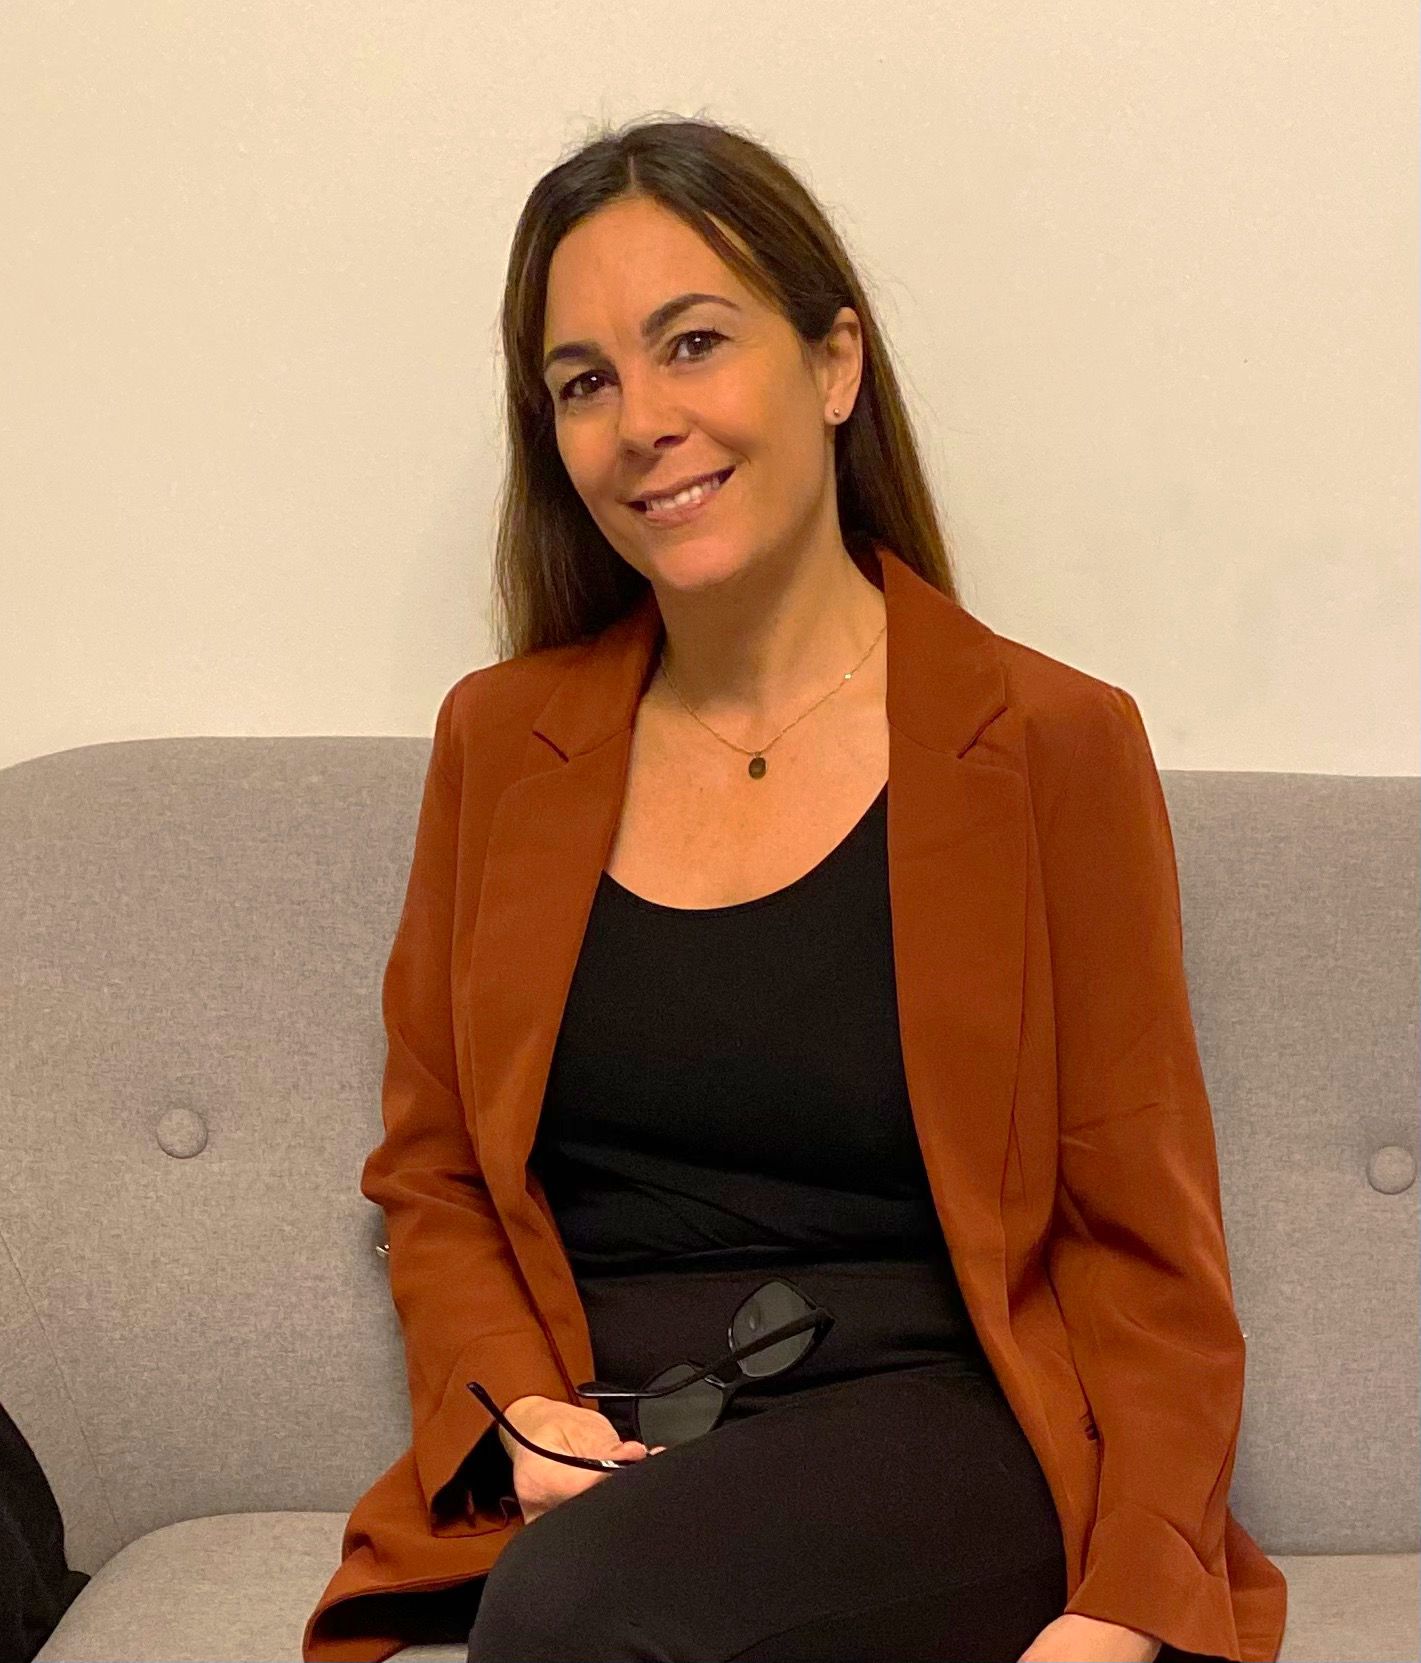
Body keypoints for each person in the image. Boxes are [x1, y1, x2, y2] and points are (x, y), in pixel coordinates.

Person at [302, 114, 1285, 1663]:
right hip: (612, 1447)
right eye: (582, 382)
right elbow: (433, 1170)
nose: (641, 421)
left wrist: (1124, 1604)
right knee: (587, 1585)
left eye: (691, 343)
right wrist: (514, 1412)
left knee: (574, 1615)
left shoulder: (1049, 742)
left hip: (937, 1426)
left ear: (833, 365)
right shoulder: (500, 742)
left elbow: (1140, 1241)